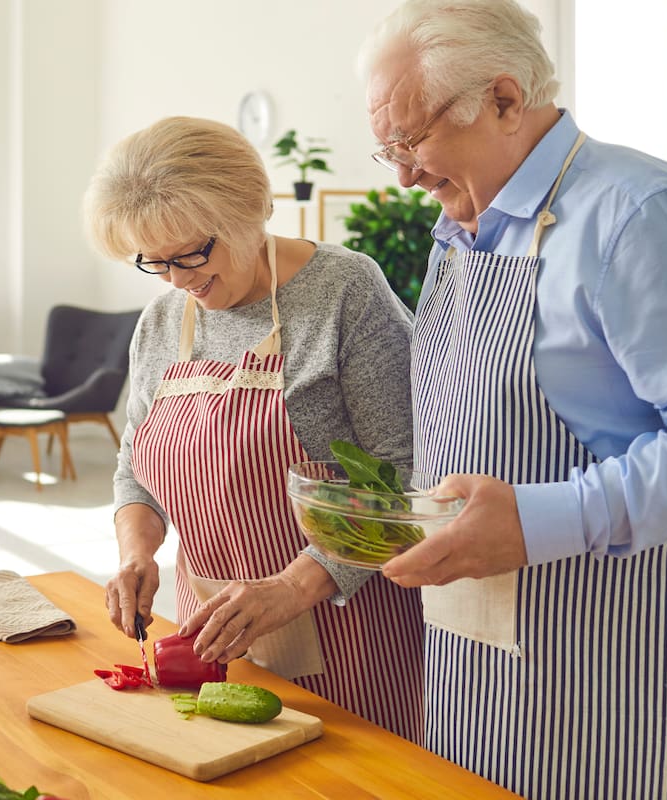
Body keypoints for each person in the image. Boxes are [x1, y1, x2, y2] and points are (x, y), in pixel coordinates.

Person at [356, 1, 667, 798]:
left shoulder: (637, 213)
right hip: (482, 633)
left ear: (504, 99)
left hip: (627, 625)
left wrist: (536, 522)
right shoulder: (467, 226)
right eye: (386, 146)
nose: (401, 173)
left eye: (413, 138)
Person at [81, 116, 424, 741]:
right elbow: (138, 471)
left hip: (348, 632)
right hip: (213, 639)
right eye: (153, 263)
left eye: (191, 254)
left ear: (248, 211)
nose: (178, 279)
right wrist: (137, 553)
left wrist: (292, 588)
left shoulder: (344, 292)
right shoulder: (161, 322)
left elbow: (402, 478)